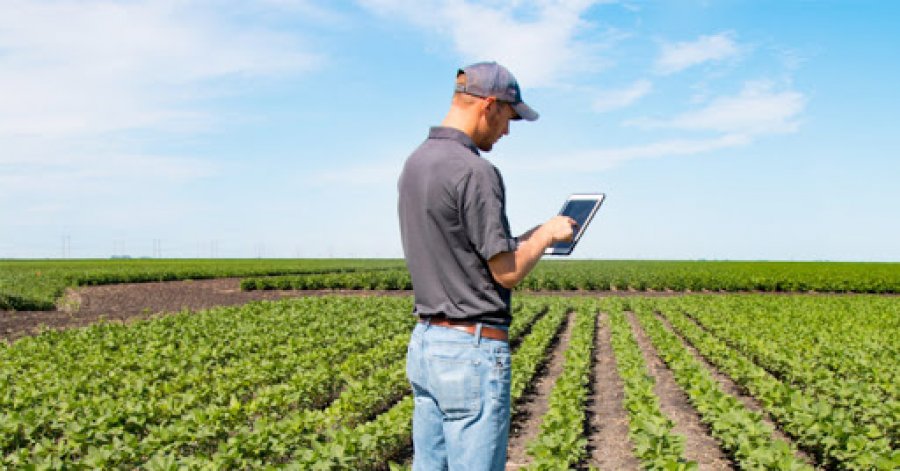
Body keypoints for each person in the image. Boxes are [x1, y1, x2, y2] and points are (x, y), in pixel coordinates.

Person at [397, 61, 577, 470]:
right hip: (470, 351)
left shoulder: (415, 163)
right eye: (509, 118)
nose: (507, 131)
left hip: (426, 344)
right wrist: (546, 235)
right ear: (489, 105)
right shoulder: (476, 171)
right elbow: (506, 272)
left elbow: (465, 249)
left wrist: (537, 232)